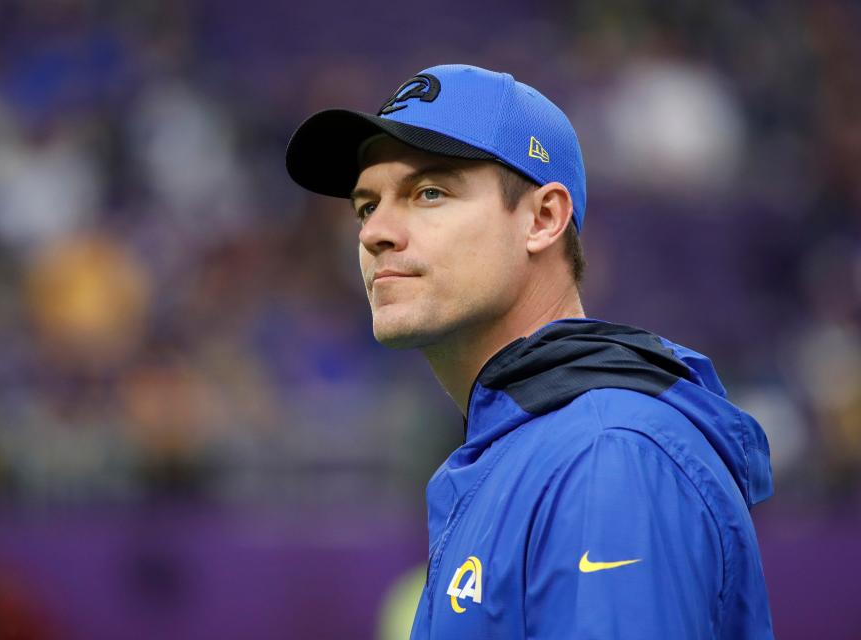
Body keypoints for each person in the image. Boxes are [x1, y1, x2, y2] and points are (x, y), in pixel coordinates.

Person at [285, 64, 774, 639]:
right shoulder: (524, 447)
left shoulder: (606, 453)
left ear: (543, 219)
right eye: (366, 206)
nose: (374, 233)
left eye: (429, 192)